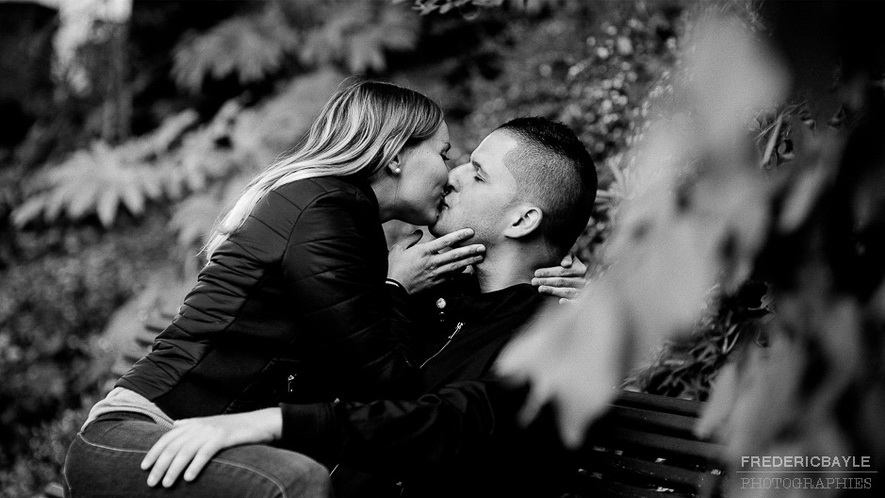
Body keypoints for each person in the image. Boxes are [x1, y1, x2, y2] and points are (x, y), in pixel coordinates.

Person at [63, 79, 488, 498]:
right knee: (296, 481)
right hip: (144, 432)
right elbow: (382, 383)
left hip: (184, 440)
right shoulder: (329, 210)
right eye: (443, 153)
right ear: (396, 156)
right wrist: (394, 286)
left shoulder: (328, 208)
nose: (450, 174)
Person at [138, 116, 598, 498]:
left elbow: (445, 423)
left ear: (522, 220)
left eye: (478, 174)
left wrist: (272, 424)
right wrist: (393, 291)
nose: (452, 175)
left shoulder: (553, 342)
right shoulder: (431, 298)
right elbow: (352, 378)